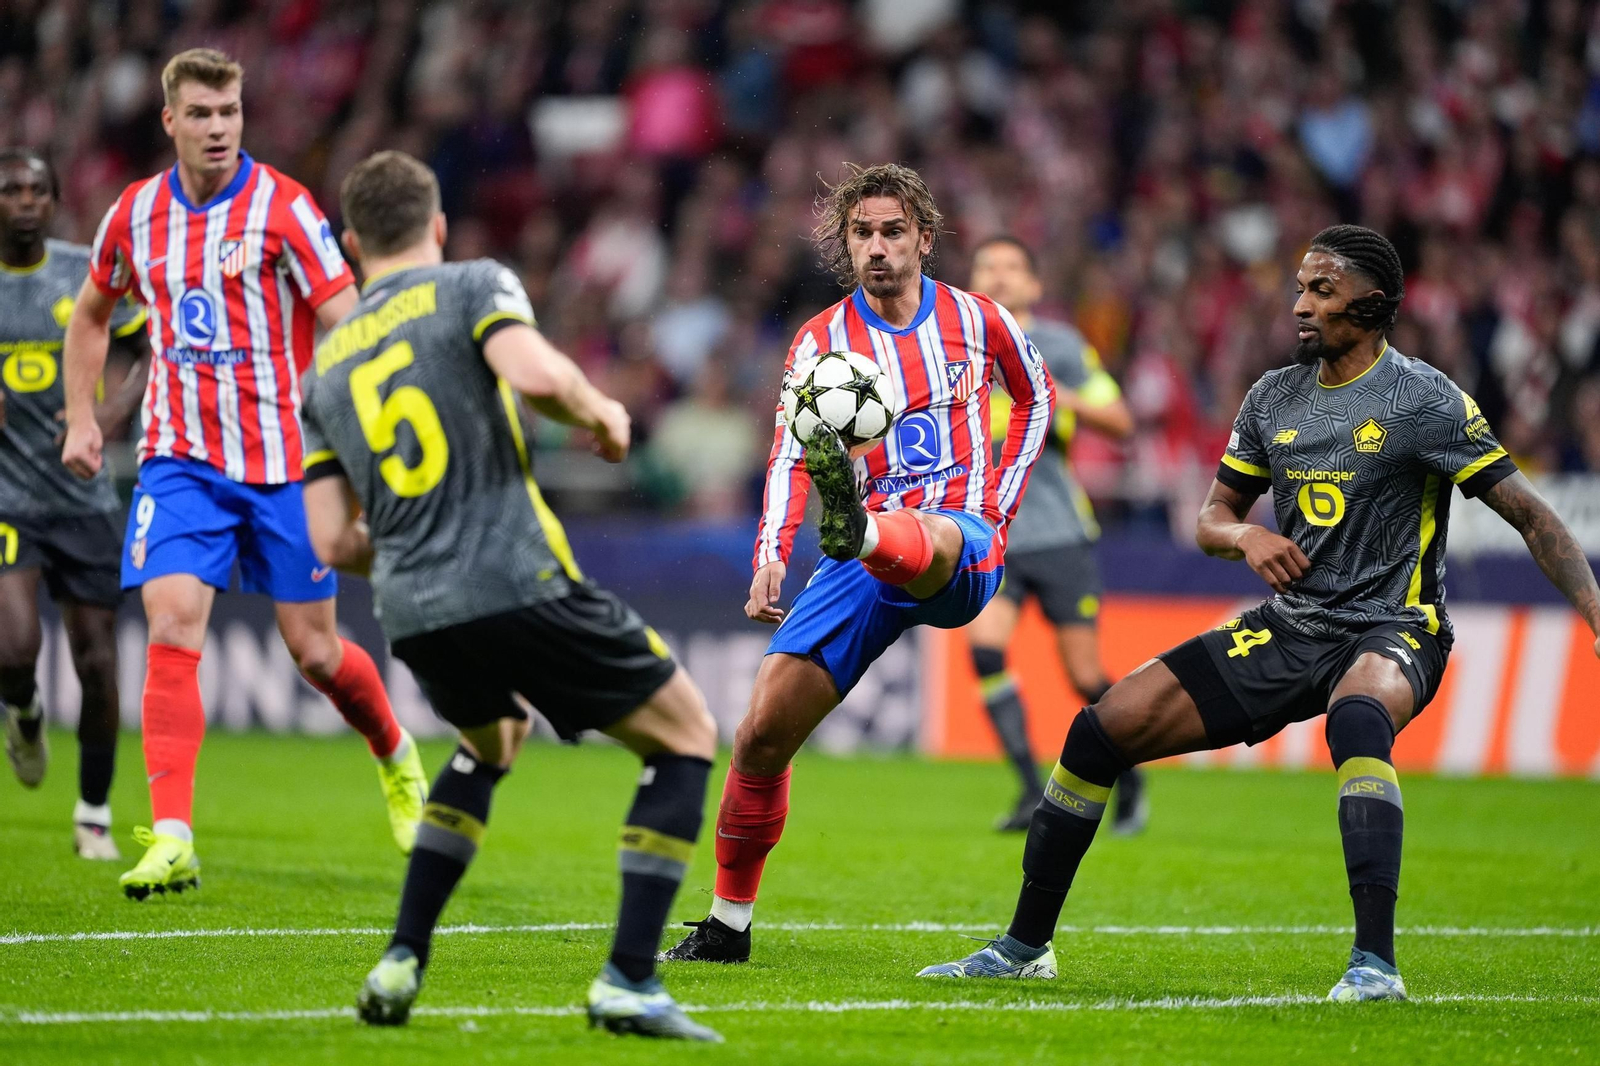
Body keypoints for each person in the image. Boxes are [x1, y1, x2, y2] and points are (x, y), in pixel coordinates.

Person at [918, 225, 1600, 1001]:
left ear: (1370, 306)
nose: (1300, 304)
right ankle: (1022, 946)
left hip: (1393, 625)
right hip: (1291, 623)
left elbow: (1531, 516)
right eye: (1300, 287)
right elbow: (1212, 516)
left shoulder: (1425, 400)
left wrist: (1594, 609)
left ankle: (1374, 966)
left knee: (1358, 718)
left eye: (1321, 291)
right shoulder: (1273, 395)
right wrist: (1245, 536)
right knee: (1098, 729)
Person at [301, 150, 721, 1041]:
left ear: (348, 245)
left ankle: (402, 956)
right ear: (439, 227)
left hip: (412, 610)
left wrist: (419, 556)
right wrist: (605, 413)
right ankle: (629, 980)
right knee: (687, 737)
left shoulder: (326, 364)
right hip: (512, 577)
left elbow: (333, 541)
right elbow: (535, 375)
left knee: (490, 740)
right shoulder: (471, 285)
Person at [59, 49, 427, 900]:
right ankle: (174, 837)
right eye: (202, 114)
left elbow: (347, 321)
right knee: (173, 627)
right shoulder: (135, 215)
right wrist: (83, 416)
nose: (219, 128)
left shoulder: (285, 210)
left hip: (284, 466)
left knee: (317, 652)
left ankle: (395, 754)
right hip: (179, 461)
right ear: (171, 122)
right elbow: (91, 314)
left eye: (229, 112)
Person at [664, 162, 1054, 964]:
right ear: (845, 244)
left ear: (924, 239)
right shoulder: (819, 341)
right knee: (761, 733)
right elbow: (788, 454)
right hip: (861, 558)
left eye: (893, 232)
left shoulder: (981, 321)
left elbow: (1038, 397)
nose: (877, 248)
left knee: (929, 532)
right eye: (862, 234)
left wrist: (1000, 504)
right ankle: (728, 927)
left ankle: (868, 532)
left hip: (958, 535)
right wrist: (771, 554)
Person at [964, 236, 1145, 833]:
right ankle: (1027, 789)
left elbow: (1119, 421)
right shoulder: (954, 345)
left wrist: (1050, 390)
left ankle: (1133, 775)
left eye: (1013, 267)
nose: (1000, 276)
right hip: (993, 534)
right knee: (985, 649)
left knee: (1084, 677)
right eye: (988, 266)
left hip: (1058, 531)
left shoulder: (1061, 345)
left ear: (1035, 286)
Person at [0, 149, 148, 859]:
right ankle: (24, 710)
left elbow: (153, 347)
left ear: (55, 200)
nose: (25, 201)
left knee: (97, 663)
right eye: (11, 190)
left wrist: (111, 413)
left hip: (83, 495)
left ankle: (93, 812)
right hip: (7, 498)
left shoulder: (82, 273)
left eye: (37, 190)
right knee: (14, 647)